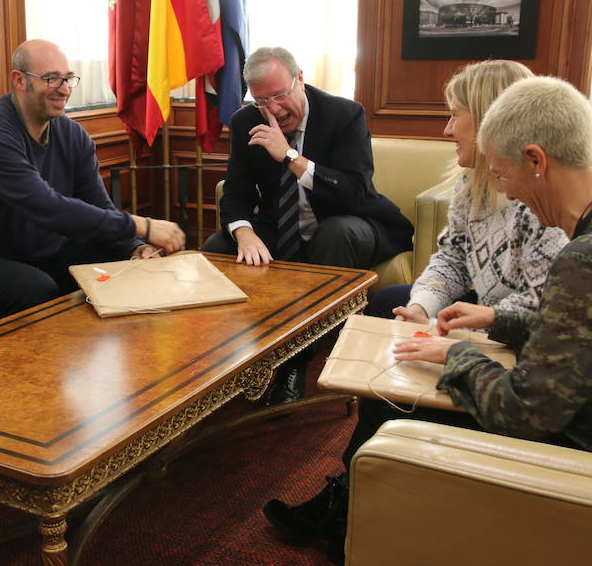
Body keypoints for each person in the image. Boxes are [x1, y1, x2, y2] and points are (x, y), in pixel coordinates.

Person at [263, 76, 592, 565]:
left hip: (564, 450)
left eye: (504, 177)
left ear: (536, 161)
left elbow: (524, 413)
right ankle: (356, 517)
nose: (510, 197)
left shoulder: (579, 260)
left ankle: (364, 528)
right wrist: (496, 323)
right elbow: (568, 335)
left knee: (394, 399)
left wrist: (459, 354)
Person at [202, 46, 413, 404]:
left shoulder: (344, 114)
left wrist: (290, 157)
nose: (273, 109)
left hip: (355, 223)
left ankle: (295, 363)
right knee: (216, 248)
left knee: (335, 233)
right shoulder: (244, 122)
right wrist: (244, 232)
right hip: (282, 226)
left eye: (281, 95)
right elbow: (235, 192)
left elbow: (355, 193)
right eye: (261, 100)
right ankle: (229, 356)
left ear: (300, 79)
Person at [0, 39, 185, 320]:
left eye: (67, 79)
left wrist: (136, 247)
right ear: (19, 81)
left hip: (41, 251)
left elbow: (99, 206)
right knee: (35, 290)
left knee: (127, 266)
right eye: (51, 79)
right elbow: (48, 208)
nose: (63, 89)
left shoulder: (73, 135)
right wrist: (143, 225)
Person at [366, 60, 567, 322]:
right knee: (390, 300)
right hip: (488, 312)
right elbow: (453, 259)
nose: (447, 130)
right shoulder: (470, 186)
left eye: (455, 115)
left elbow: (535, 315)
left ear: (489, 119)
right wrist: (421, 308)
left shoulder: (542, 203)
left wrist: (448, 334)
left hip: (518, 327)